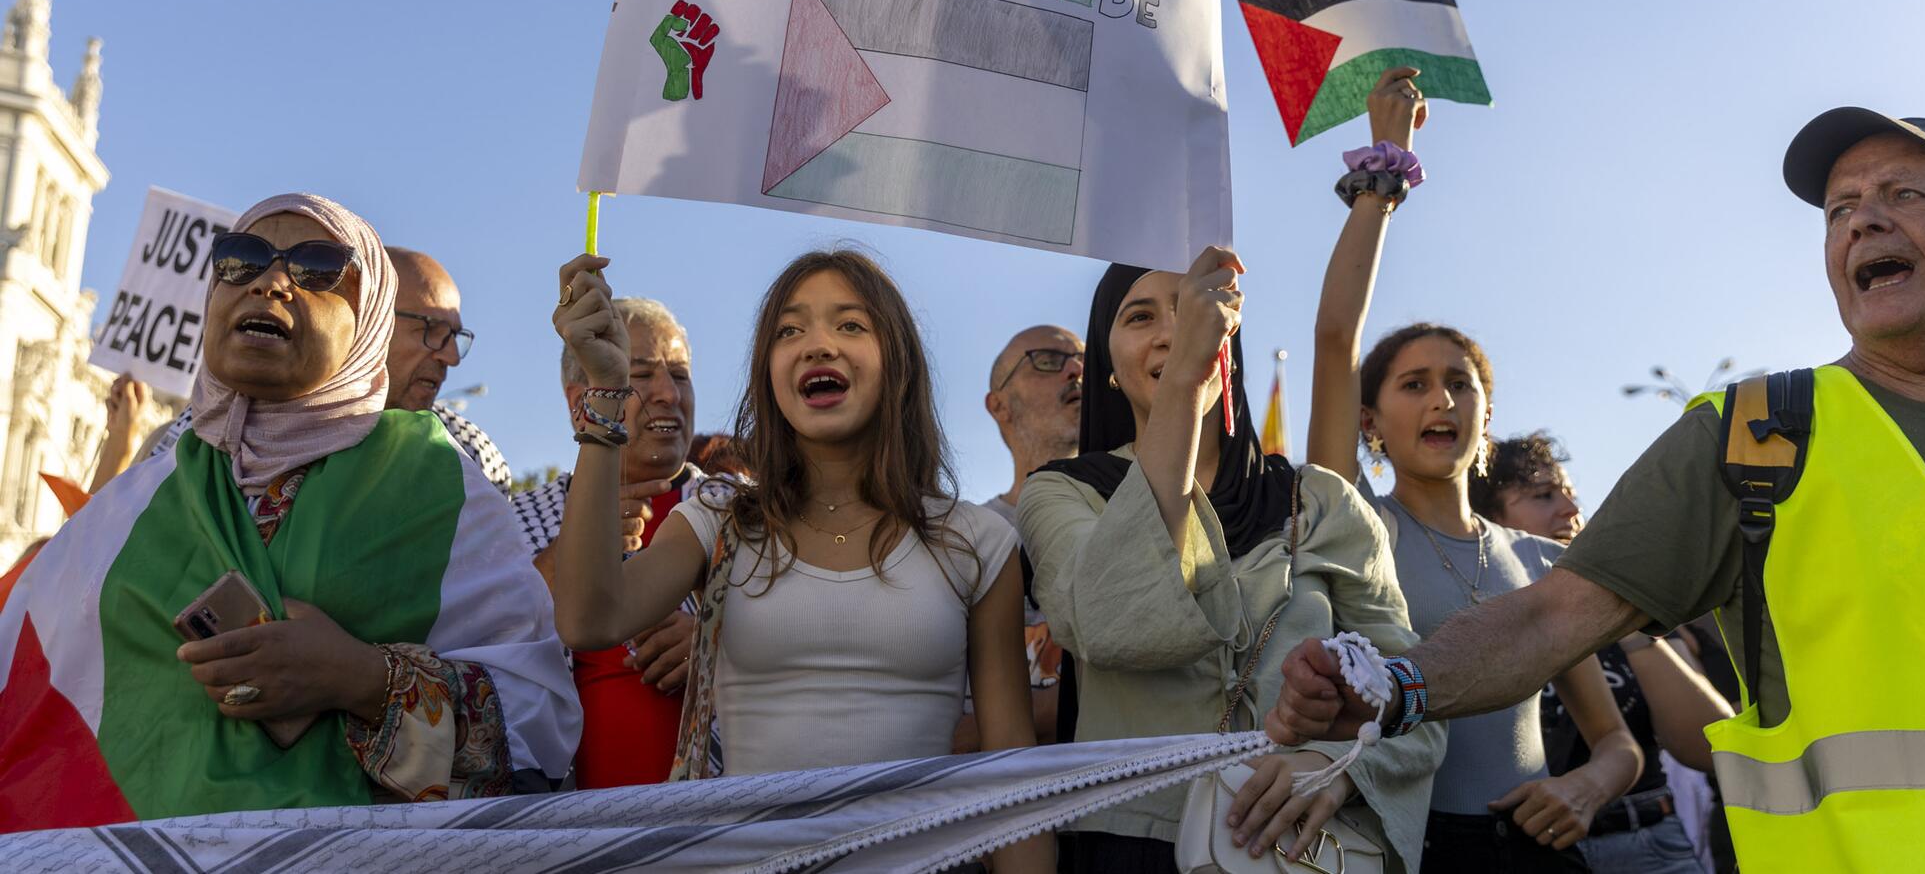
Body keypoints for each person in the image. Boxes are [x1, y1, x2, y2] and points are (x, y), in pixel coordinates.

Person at [1268, 108, 1925, 870]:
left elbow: (1634, 730)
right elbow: (1549, 620)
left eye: (1904, 194)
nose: (1862, 222)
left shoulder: (1526, 553)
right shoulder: (1759, 435)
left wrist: (1595, 774)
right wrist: (1391, 685)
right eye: (1840, 209)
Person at [0, 193, 576, 828]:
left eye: (317, 269)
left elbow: (537, 732)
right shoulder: (130, 504)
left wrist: (359, 678)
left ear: (370, 322)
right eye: (240, 260)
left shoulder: (437, 485)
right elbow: (23, 693)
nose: (271, 282)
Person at [548, 248, 1053, 872]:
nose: (817, 345)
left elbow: (1009, 772)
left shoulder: (975, 540)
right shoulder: (720, 517)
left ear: (896, 362)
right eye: (790, 330)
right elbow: (589, 619)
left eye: (849, 324)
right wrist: (603, 393)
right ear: (769, 372)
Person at [1303, 67, 1642, 870]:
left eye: (1461, 382)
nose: (1441, 399)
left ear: (1486, 415)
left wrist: (1587, 785)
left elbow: (1617, 741)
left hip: (1537, 851)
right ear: (1369, 421)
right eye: (1413, 384)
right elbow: (1333, 339)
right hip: (1404, 847)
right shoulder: (1358, 524)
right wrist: (1383, 174)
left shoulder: (1539, 561)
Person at [1016, 249, 1447, 873]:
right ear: (1107, 365)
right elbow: (1109, 621)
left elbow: (1414, 691)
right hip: (1131, 848)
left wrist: (1336, 768)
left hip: (1301, 846)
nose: (1175, 328)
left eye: (1193, 306)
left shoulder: (1323, 501)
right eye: (1140, 317)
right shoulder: (1061, 492)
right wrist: (1186, 381)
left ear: (1230, 334)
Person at [1471, 433, 1732, 873]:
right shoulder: (1476, 625)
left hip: (1651, 843)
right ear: (1488, 518)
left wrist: (1622, 619)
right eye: (1543, 495)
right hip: (1530, 853)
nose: (1572, 510)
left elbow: (1711, 747)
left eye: (1570, 494)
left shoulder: (1630, 613)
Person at [508, 296, 705, 789]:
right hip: (560, 834)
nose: (666, 393)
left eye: (679, 375)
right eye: (639, 375)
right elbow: (477, 654)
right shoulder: (516, 522)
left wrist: (716, 643)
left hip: (719, 827)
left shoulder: (743, 514)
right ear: (581, 403)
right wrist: (568, 559)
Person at [133, 246, 513, 493]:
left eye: (456, 336)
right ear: (371, 322)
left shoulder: (468, 458)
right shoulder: (202, 437)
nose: (450, 357)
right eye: (432, 331)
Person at [955, 324, 1083, 751]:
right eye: (1048, 360)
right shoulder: (961, 541)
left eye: (1085, 361)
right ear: (999, 406)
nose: (1076, 371)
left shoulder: (1146, 515)